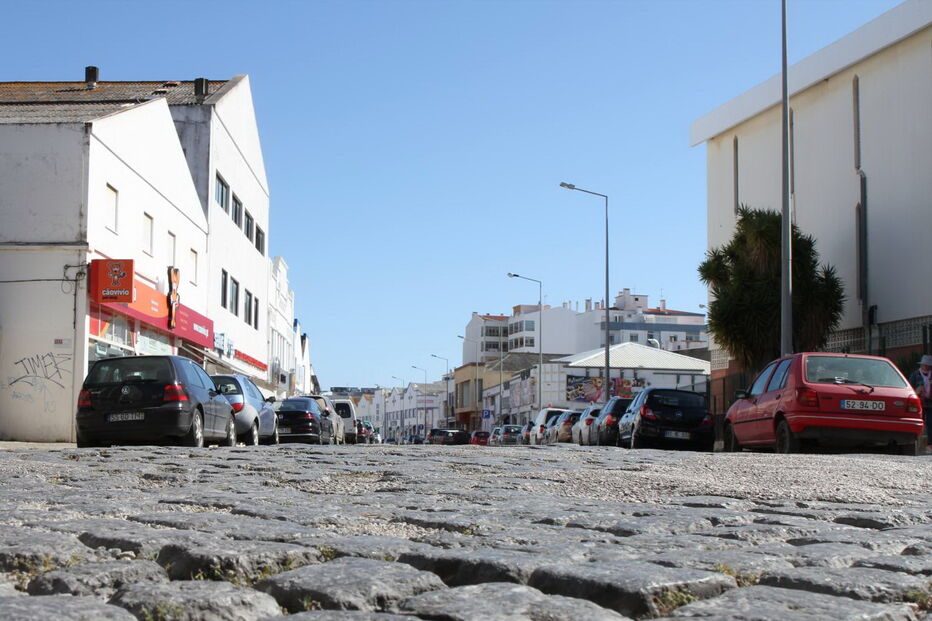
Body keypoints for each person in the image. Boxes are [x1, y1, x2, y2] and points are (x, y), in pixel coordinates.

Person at [908, 355, 932, 439]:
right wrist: (917, 391)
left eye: (928, 365)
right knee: (919, 421)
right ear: (921, 365)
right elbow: (910, 387)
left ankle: (930, 443)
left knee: (930, 422)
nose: (926, 366)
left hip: (930, 402)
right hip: (919, 402)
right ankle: (917, 440)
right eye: (924, 365)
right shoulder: (915, 375)